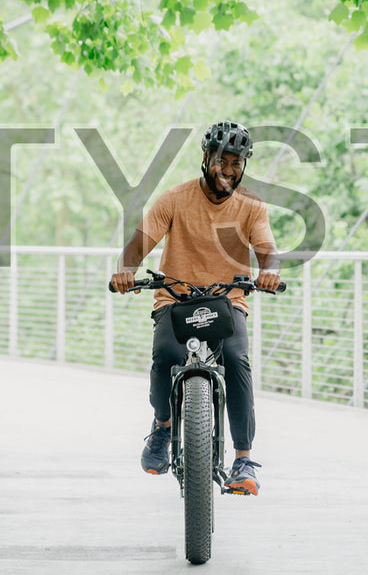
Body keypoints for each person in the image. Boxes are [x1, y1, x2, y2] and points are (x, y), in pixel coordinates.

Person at [109, 120, 281, 495]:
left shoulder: (252, 207)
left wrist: (269, 272)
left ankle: (243, 459)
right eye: (223, 161)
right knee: (167, 354)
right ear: (206, 158)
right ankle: (163, 427)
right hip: (176, 297)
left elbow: (268, 253)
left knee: (236, 359)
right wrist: (126, 270)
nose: (229, 171)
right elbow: (140, 243)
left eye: (237, 163)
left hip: (227, 299)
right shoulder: (174, 199)